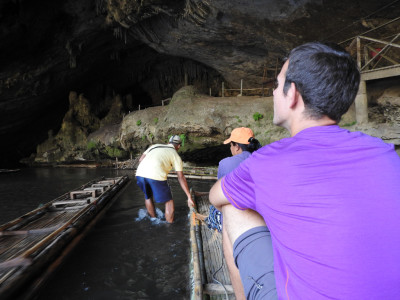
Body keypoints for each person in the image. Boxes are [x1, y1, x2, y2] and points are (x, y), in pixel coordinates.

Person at [210, 42, 400, 299]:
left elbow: (214, 196)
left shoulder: (268, 162)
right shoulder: (386, 153)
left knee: (233, 206)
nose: (274, 93)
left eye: (277, 85)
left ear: (293, 94)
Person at [196, 127, 261, 300]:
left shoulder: (226, 163)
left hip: (236, 216)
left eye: (230, 145)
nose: (230, 149)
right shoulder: (263, 158)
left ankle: (212, 224)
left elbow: (220, 195)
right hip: (261, 213)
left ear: (237, 146)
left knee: (217, 209)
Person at [136, 135, 194, 223]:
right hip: (156, 175)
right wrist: (189, 196)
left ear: (168, 143)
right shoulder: (175, 155)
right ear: (178, 146)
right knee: (169, 201)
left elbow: (140, 160)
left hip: (140, 173)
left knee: (148, 196)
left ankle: (153, 219)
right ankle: (169, 225)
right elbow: (181, 177)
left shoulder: (154, 146)